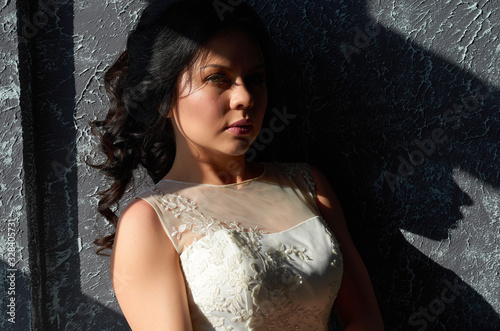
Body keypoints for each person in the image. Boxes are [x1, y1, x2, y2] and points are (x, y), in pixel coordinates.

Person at [90, 0, 384, 330]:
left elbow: (364, 317)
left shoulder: (308, 185)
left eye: (256, 79)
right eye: (218, 78)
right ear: (163, 99)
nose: (245, 97)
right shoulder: (150, 222)